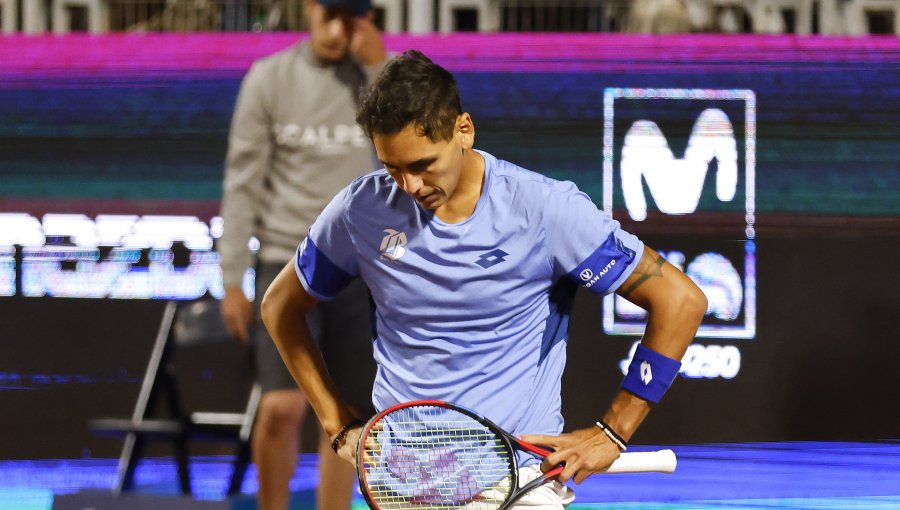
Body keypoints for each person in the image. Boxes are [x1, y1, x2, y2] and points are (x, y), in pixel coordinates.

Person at [260, 50, 708, 508]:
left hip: (517, 481)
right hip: (401, 485)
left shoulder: (544, 210)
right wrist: (336, 425)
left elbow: (679, 299)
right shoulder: (361, 211)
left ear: (463, 130)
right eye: (392, 168)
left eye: (422, 165)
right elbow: (280, 307)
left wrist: (613, 431)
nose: (409, 186)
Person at [216, 1, 386, 509]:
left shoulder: (382, 80)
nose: (337, 30)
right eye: (329, 13)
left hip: (362, 268)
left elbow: (422, 153)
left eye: (351, 18)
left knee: (350, 415)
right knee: (282, 406)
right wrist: (232, 277)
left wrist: (379, 68)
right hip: (287, 265)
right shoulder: (269, 79)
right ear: (309, 8)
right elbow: (242, 182)